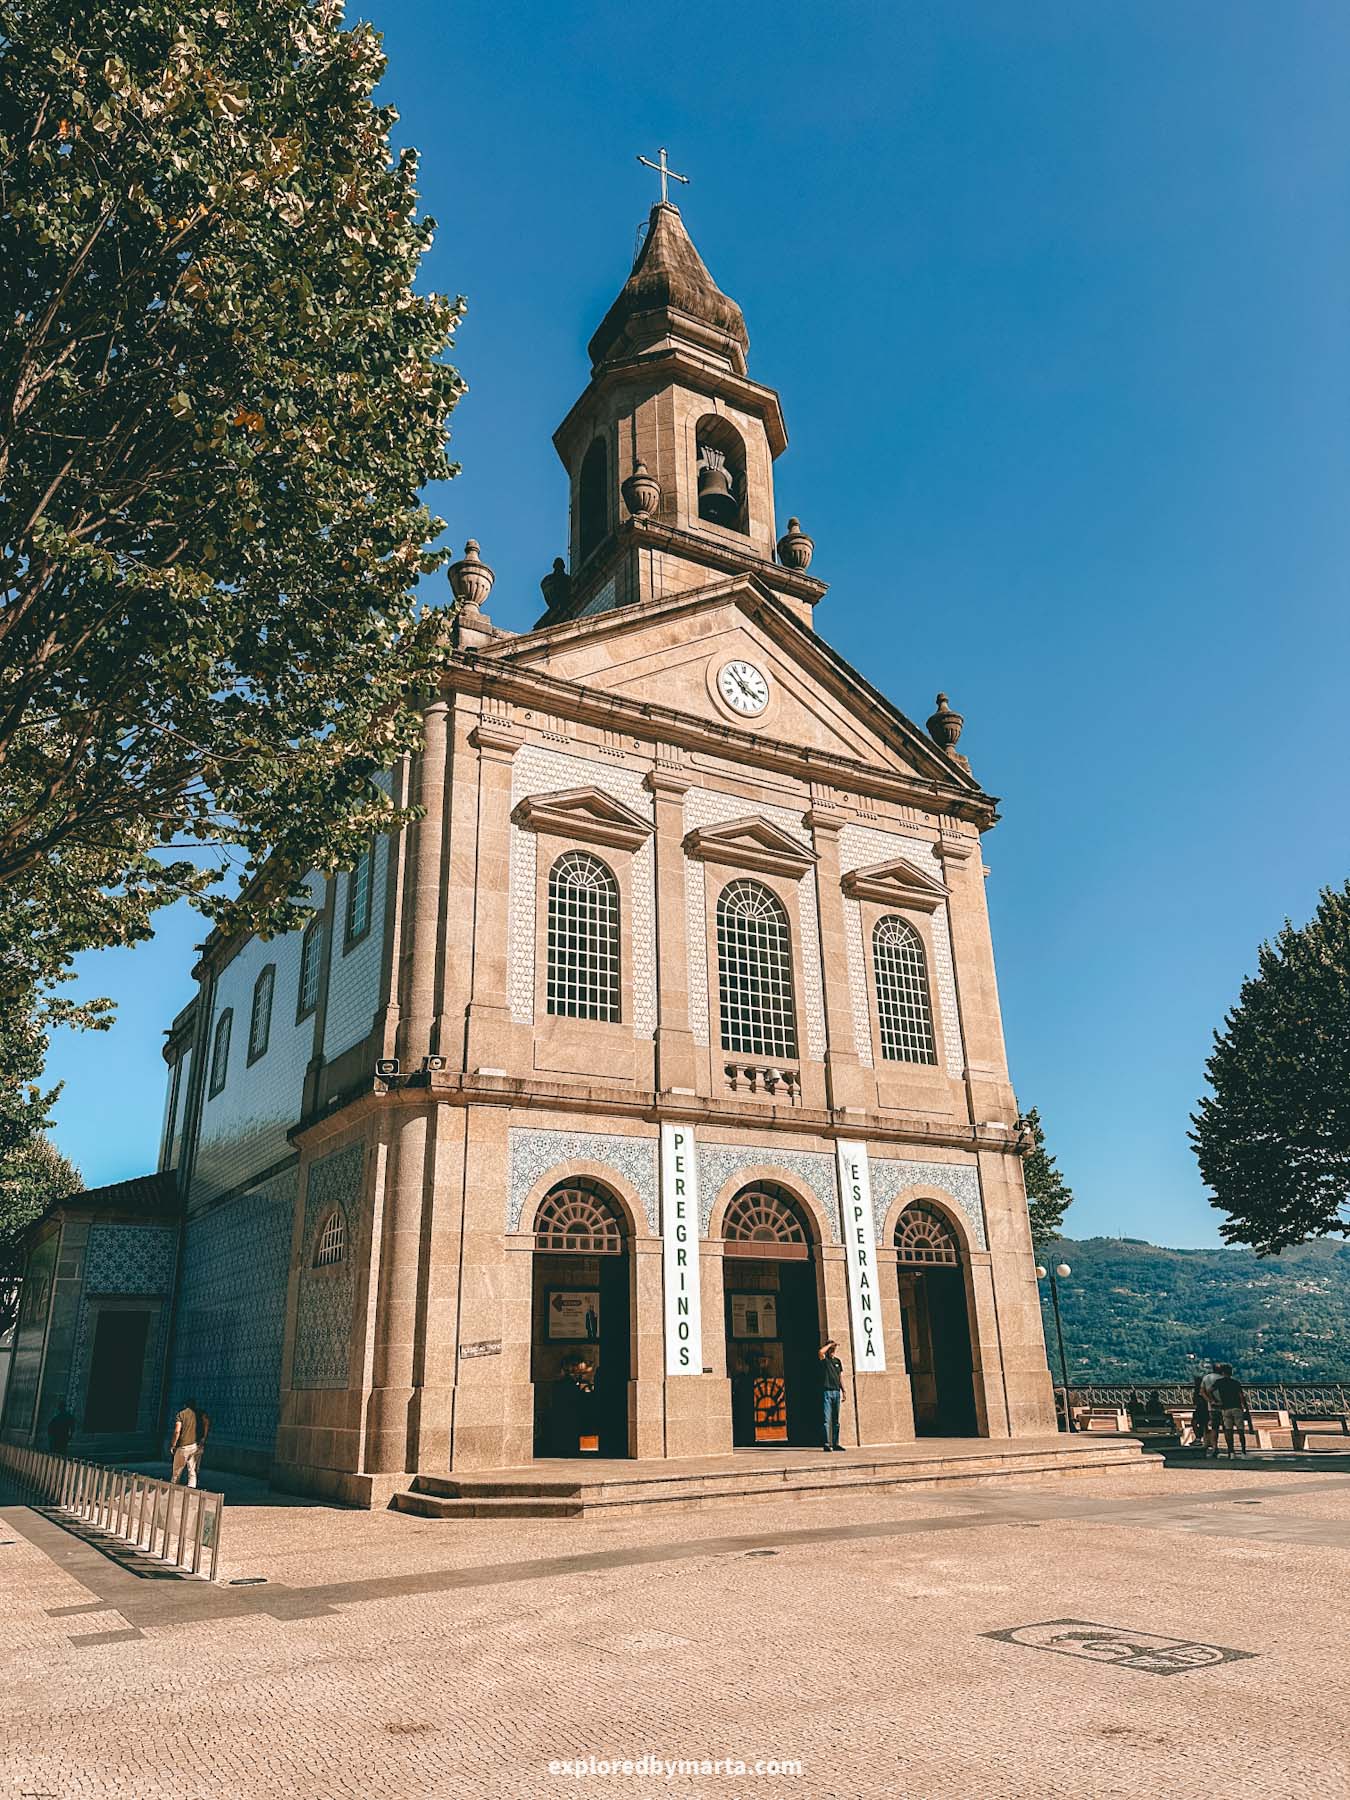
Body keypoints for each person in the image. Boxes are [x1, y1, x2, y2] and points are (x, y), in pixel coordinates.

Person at [1208, 1364, 1248, 1458]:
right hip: (1237, 1407)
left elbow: (1209, 1390)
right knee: (1240, 1430)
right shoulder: (1236, 1383)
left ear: (1222, 1373)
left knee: (1228, 1430)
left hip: (1225, 1408)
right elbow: (1241, 1396)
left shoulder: (1219, 1382)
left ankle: (1231, 1452)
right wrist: (1244, 1407)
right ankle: (1243, 1451)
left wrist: (1213, 1400)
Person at [169, 1397, 210, 1487]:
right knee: (193, 1471)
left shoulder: (181, 1414)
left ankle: (173, 1490)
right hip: (196, 1446)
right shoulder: (200, 1413)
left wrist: (173, 1445)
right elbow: (207, 1422)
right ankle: (191, 1492)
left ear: (185, 1405)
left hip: (183, 1446)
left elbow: (177, 1431)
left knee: (176, 1472)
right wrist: (204, 1437)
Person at [818, 1339, 846, 1452]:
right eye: (831, 1348)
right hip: (827, 1392)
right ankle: (827, 1443)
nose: (833, 1350)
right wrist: (829, 1344)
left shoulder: (838, 1361)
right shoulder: (825, 1360)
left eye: (834, 1348)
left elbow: (840, 1377)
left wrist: (844, 1390)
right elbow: (820, 1352)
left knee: (836, 1420)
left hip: (836, 1392)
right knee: (827, 1419)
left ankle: (835, 1443)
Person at [1183, 1375, 1210, 1451]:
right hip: (1203, 1409)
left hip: (1201, 1409)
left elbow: (1196, 1401)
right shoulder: (1203, 1389)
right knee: (1202, 1424)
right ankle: (1202, 1439)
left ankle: (1199, 1438)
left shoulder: (1199, 1390)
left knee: (1198, 1423)